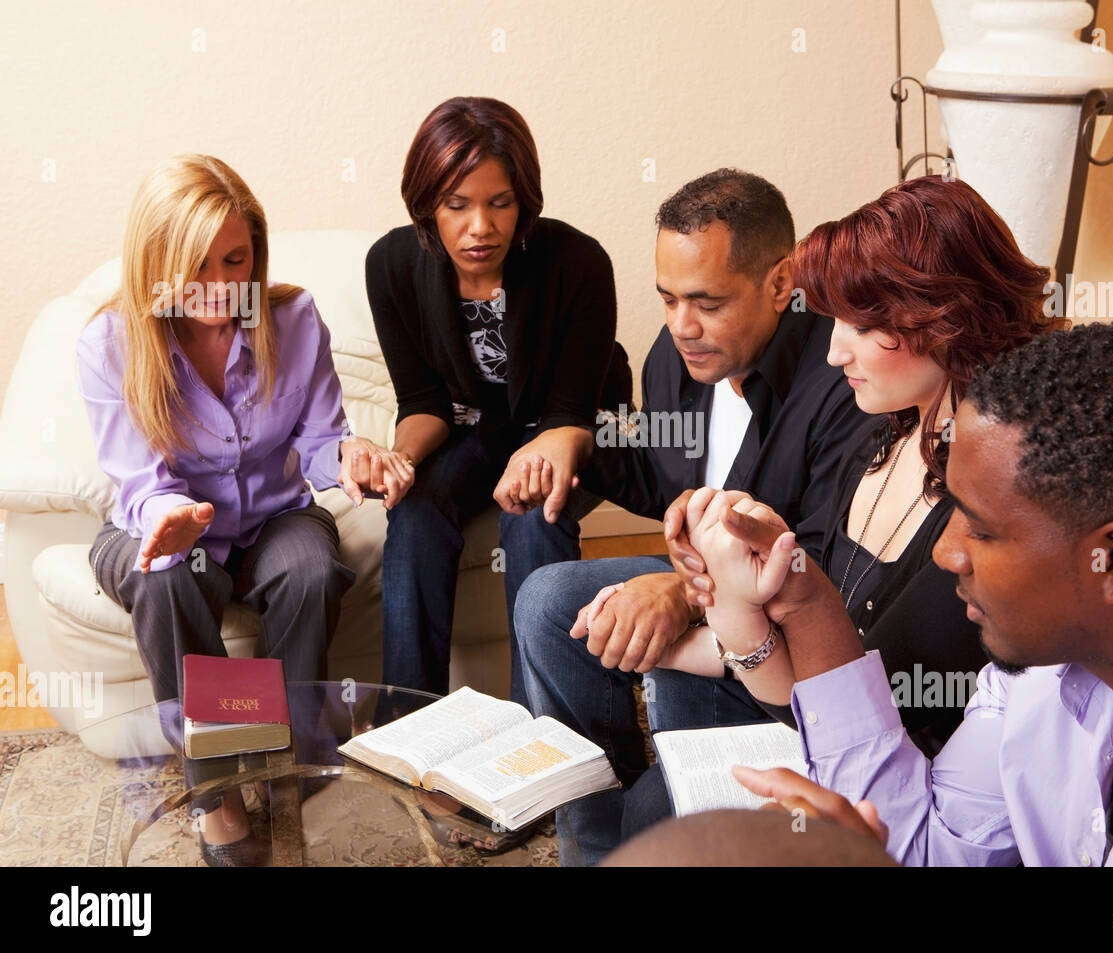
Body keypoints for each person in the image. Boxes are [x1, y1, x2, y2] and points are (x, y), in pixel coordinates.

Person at [695, 321, 1113, 865]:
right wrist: (807, 601)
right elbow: (929, 847)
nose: (946, 551)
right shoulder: (1044, 663)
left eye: (980, 528)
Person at [620, 175, 1065, 841]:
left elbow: (859, 702)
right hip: (829, 738)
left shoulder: (998, 498)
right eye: (834, 322)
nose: (834, 351)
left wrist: (741, 616)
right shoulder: (875, 437)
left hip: (912, 796)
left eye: (863, 324)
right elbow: (815, 688)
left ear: (942, 317)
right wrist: (728, 606)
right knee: (658, 792)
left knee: (661, 808)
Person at [512, 168, 863, 865]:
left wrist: (681, 591)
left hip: (788, 634)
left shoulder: (838, 378)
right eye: (668, 298)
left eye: (705, 301)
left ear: (778, 282)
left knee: (658, 784)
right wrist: (577, 437)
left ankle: (665, 816)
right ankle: (594, 835)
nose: (681, 325)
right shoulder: (681, 362)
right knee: (547, 601)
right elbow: (661, 475)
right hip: (713, 593)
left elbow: (823, 562)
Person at [79, 154, 408, 864]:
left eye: (236, 259)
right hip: (152, 528)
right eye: (197, 265)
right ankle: (219, 791)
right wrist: (173, 514)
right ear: (155, 261)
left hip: (270, 519)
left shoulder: (291, 318)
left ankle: (290, 755)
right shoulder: (110, 344)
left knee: (310, 569)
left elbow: (321, 442)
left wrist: (351, 458)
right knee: (169, 575)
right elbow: (140, 485)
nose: (223, 285)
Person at [365, 96, 629, 700]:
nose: (480, 226)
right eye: (457, 206)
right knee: (414, 510)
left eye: (499, 203)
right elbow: (424, 402)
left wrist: (540, 453)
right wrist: (401, 458)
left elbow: (571, 413)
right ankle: (409, 724)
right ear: (428, 202)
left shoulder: (578, 262)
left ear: (524, 201)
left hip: (573, 423)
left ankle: (549, 730)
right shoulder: (391, 265)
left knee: (535, 518)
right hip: (476, 428)